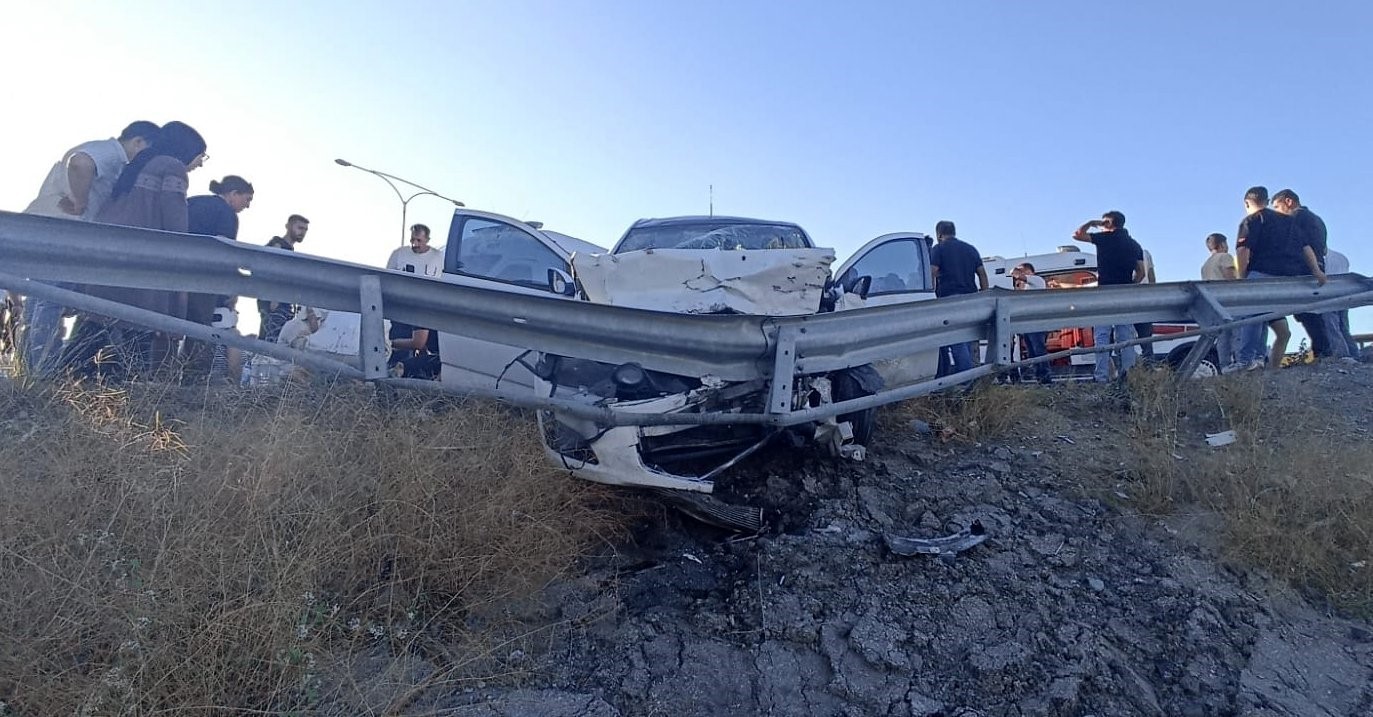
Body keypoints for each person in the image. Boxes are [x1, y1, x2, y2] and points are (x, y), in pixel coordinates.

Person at [58, 121, 207, 381]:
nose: (201, 163)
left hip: (107, 264)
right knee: (133, 344)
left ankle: (60, 387)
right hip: (141, 272)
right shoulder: (171, 168)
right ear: (186, 149)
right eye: (201, 156)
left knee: (91, 335)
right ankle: (124, 404)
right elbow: (175, 228)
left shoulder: (136, 165)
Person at [18, 121, 161, 376]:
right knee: (50, 301)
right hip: (64, 231)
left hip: (41, 228)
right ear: (138, 141)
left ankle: (27, 367)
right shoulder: (110, 152)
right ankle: (43, 372)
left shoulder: (103, 150)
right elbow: (80, 162)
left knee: (37, 299)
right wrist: (80, 200)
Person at [1234, 186, 1326, 372]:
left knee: (1252, 315)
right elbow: (1306, 247)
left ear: (1247, 203)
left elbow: (1243, 250)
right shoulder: (1288, 221)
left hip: (1261, 274)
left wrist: (1241, 277)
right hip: (1287, 281)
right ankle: (1259, 358)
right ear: (1267, 201)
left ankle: (1246, 360)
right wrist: (1317, 271)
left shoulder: (1251, 220)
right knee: (1266, 316)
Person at [183, 176, 254, 377]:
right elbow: (225, 254)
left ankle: (159, 374)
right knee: (200, 330)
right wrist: (231, 288)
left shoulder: (194, 202)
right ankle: (194, 379)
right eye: (247, 199)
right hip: (204, 280)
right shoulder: (227, 214)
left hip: (171, 272)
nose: (247, 206)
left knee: (167, 325)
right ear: (233, 194)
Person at [1271, 189, 1347, 360]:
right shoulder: (1316, 220)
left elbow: (1301, 246)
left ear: (1288, 202)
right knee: (1314, 315)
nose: (1276, 212)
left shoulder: (1296, 219)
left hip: (1304, 271)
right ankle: (1325, 353)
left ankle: (1325, 353)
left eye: (1277, 206)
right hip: (1315, 268)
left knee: (1311, 316)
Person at [1072, 210, 1147, 382]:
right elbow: (1141, 272)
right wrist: (1131, 285)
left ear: (1109, 223)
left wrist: (1091, 222)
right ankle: (1128, 375)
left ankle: (1101, 376)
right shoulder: (1134, 244)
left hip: (1105, 292)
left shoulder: (1103, 239)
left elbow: (1077, 235)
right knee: (1125, 336)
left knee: (1102, 336)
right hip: (1125, 292)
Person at [929, 220, 988, 375]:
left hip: (950, 299)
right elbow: (982, 273)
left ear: (939, 234)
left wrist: (929, 294)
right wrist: (984, 295)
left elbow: (932, 272)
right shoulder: (970, 249)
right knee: (968, 340)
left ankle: (967, 382)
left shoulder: (938, 249)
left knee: (956, 341)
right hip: (972, 299)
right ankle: (972, 379)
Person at [257, 215, 311, 341]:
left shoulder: (288, 249)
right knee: (273, 339)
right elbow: (273, 272)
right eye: (299, 228)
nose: (302, 232)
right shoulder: (278, 245)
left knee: (274, 339)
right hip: (275, 302)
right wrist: (274, 298)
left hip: (282, 302)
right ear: (288, 226)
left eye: (305, 230)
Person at [1200, 233, 1242, 372]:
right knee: (1237, 331)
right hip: (1229, 301)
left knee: (1222, 335)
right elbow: (1230, 279)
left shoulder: (1205, 265)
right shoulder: (1225, 257)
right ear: (1222, 244)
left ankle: (1225, 365)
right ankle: (1240, 361)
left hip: (1214, 304)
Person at [1011, 263, 1053, 383]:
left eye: (1022, 270)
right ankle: (1039, 376)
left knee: (1038, 349)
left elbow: (1014, 273)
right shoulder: (1027, 287)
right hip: (1028, 323)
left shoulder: (1037, 280)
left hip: (1037, 322)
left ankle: (1045, 377)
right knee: (1032, 352)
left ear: (1029, 271)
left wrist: (1015, 271)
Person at [1135, 248, 1158, 360]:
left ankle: (1126, 367)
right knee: (1146, 337)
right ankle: (1148, 364)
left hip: (1127, 298)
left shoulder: (1119, 250)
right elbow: (1151, 277)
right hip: (1145, 300)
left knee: (1123, 335)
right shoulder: (1145, 253)